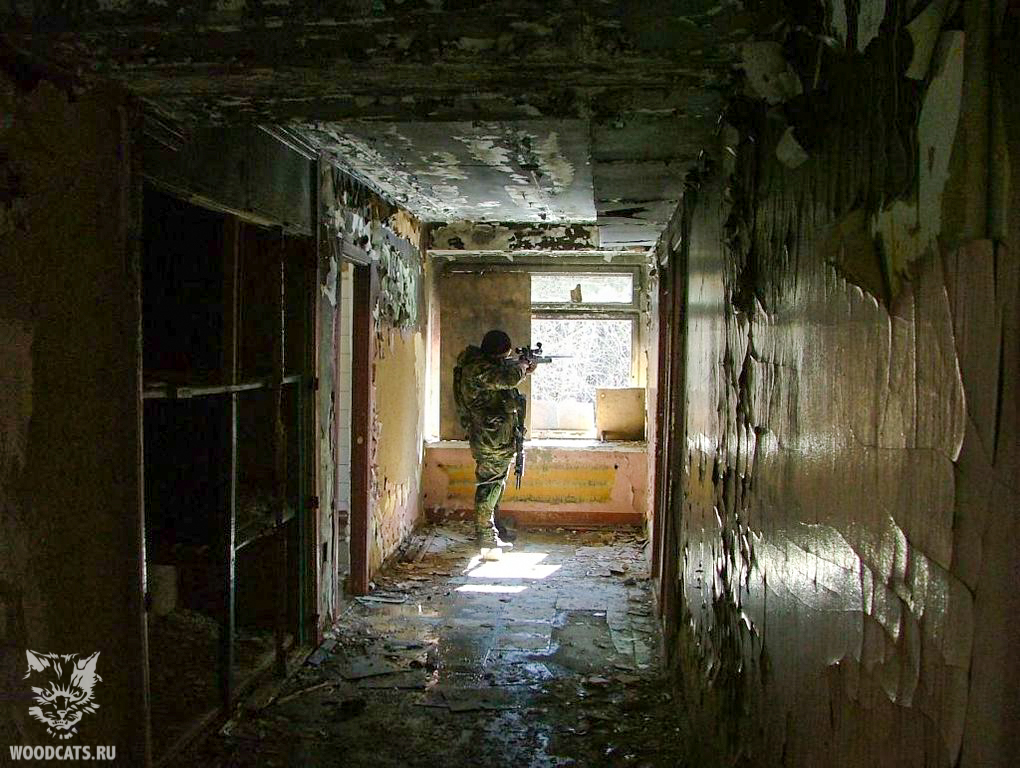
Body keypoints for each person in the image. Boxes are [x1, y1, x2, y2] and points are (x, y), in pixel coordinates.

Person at [454, 329, 537, 558]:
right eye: (505, 356)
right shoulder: (477, 369)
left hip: (496, 436)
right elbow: (506, 379)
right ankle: (486, 538)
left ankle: (493, 528)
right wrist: (521, 367)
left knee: (496, 484)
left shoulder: (482, 365)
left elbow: (502, 380)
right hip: (490, 438)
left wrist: (523, 369)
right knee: (489, 485)